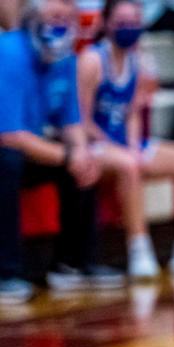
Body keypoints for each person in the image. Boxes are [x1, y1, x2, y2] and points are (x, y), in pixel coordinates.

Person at [76, 0, 174, 279]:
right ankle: (139, 249)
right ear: (106, 23)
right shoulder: (92, 60)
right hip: (94, 144)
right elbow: (80, 119)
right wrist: (120, 149)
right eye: (122, 23)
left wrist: (133, 144)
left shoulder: (137, 60)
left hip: (124, 144)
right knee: (129, 164)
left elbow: (133, 113)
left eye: (134, 23)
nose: (129, 29)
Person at [0, 0, 124, 304]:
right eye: (54, 17)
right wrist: (69, 156)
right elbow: (10, 135)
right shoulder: (9, 52)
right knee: (8, 163)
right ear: (32, 17)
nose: (61, 25)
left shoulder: (65, 56)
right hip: (9, 147)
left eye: (68, 19)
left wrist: (80, 152)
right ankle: (6, 274)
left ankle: (73, 264)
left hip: (30, 145)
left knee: (85, 159)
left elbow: (71, 121)